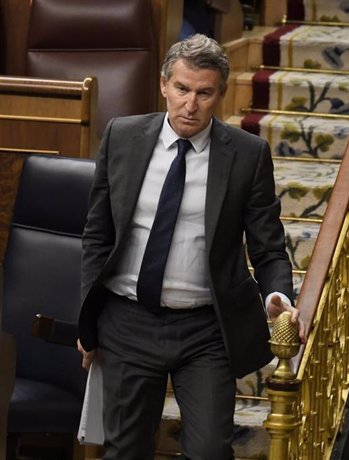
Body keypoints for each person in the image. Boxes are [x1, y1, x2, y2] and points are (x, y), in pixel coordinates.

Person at [76, 34, 305, 459]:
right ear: (164, 84)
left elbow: (269, 247)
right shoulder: (121, 137)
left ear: (220, 94)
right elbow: (97, 234)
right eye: (182, 89)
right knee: (124, 451)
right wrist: (89, 317)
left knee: (211, 451)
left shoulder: (247, 155)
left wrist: (277, 295)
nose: (190, 104)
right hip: (128, 321)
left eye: (203, 93)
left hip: (206, 330)